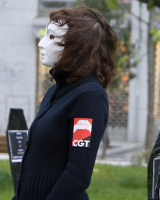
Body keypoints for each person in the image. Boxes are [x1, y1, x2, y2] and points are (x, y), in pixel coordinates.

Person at [12, 6, 117, 200]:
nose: (41, 44)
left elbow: (78, 174)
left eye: (52, 37)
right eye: (45, 35)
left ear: (80, 48)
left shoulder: (89, 98)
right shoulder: (55, 91)